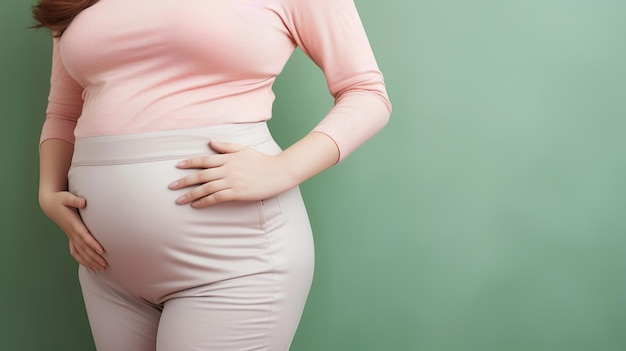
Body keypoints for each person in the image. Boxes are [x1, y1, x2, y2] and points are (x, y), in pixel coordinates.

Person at [33, 0, 391, 350]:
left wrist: (284, 170)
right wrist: (48, 192)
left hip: (233, 260)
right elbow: (64, 112)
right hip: (106, 269)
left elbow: (367, 94)